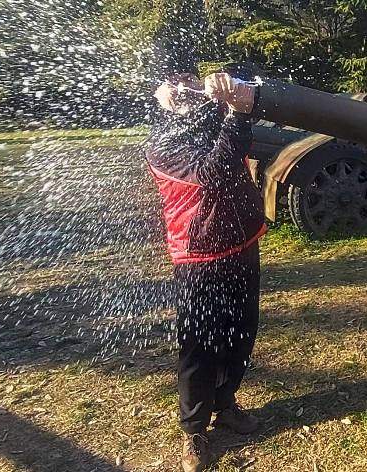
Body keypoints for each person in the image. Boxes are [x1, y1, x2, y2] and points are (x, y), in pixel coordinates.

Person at [146, 64, 265, 472]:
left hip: (242, 244)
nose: (183, 88)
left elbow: (250, 88)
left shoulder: (210, 113)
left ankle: (225, 402)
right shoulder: (161, 143)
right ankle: (194, 430)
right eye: (172, 82)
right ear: (160, 94)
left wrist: (230, 85)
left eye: (189, 79)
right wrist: (237, 114)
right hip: (198, 255)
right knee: (199, 345)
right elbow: (214, 171)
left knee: (242, 331)